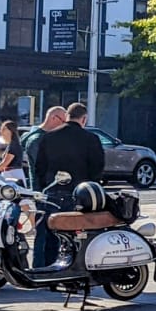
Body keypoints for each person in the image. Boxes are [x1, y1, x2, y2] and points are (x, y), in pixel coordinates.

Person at [31, 104, 104, 267]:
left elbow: (39, 168)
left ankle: (45, 270)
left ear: (67, 116)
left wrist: (43, 189)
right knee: (78, 235)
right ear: (83, 119)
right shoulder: (91, 139)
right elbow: (97, 169)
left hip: (52, 192)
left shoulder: (48, 137)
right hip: (79, 195)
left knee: (48, 235)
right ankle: (75, 269)